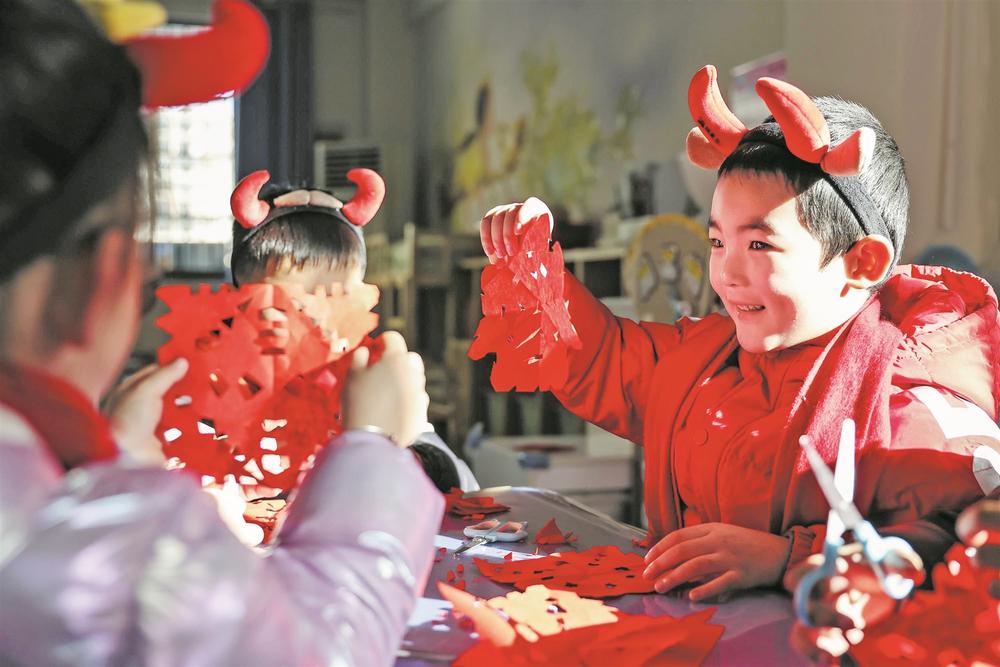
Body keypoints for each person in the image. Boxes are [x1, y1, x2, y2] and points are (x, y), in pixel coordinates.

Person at [0, 2, 442, 665]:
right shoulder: (131, 540)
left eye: (330, 297)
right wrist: (375, 446)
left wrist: (113, 460)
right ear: (104, 278)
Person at [476, 65, 999, 602]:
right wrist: (534, 266)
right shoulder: (704, 358)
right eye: (717, 242)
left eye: (759, 245)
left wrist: (786, 558)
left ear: (861, 263)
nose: (726, 273)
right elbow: (603, 359)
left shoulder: (910, 400)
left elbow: (962, 548)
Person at [229, 169, 480, 492]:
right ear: (240, 305)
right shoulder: (213, 390)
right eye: (291, 304)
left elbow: (461, 485)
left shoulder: (366, 381)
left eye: (338, 299)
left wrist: (402, 448)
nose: (316, 322)